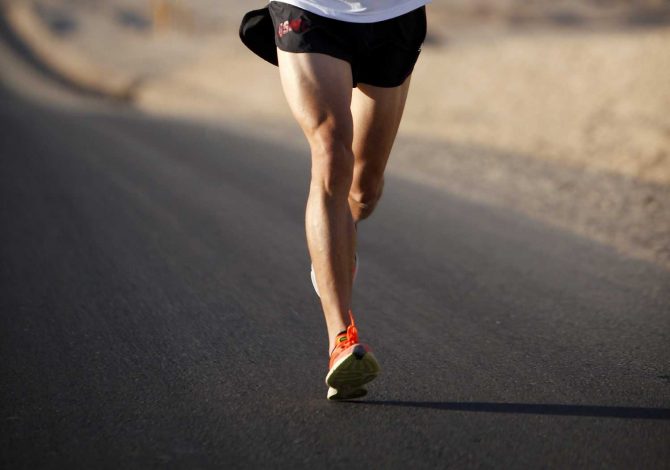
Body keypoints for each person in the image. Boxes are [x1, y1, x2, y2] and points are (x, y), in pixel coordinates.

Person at [240, 0, 430, 400]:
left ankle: (341, 241)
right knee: (330, 151)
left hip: (393, 15)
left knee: (363, 189)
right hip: (310, 10)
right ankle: (340, 338)